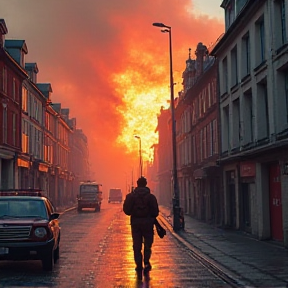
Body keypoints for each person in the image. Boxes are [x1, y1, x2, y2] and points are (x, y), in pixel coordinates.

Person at [123, 176, 159, 281]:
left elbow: (126, 210)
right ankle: (146, 262)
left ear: (137, 184)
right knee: (148, 244)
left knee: (137, 245)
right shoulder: (151, 197)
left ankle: (139, 265)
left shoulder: (131, 196)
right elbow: (155, 212)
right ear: (146, 184)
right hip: (148, 224)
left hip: (136, 224)